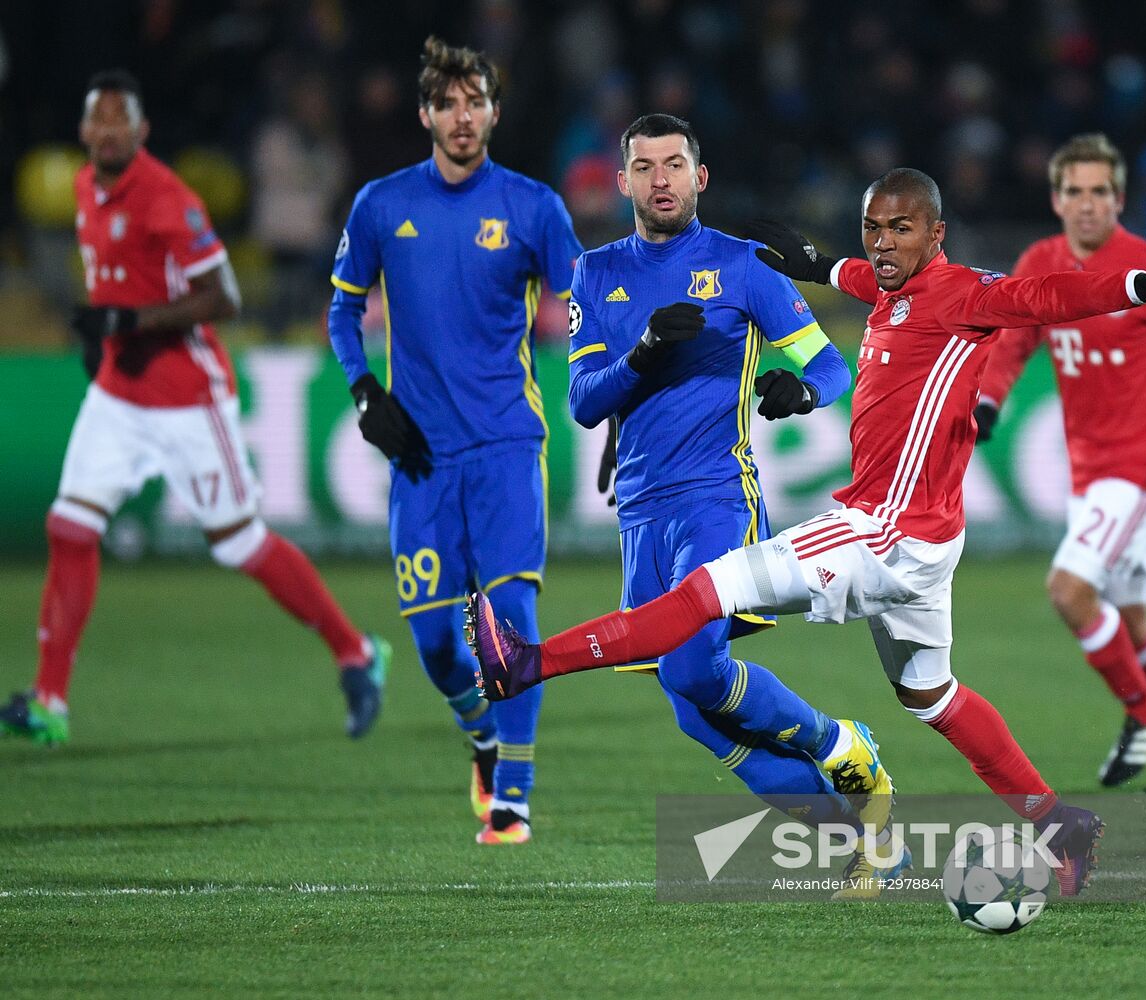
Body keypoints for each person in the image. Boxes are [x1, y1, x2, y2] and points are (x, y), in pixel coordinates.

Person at [469, 167, 1146, 895]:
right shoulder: (885, 286)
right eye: (872, 226)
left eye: (901, 229)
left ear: (936, 235)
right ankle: (1060, 827)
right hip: (928, 543)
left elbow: (1056, 296)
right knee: (932, 696)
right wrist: (816, 261)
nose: (882, 242)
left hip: (881, 532)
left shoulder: (967, 293)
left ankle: (531, 662)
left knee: (706, 592)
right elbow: (857, 275)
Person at [543, 112, 899, 896]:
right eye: (645, 166)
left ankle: (842, 742)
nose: (661, 178)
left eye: (675, 164)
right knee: (691, 710)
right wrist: (644, 354)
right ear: (625, 181)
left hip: (716, 497)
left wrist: (800, 389)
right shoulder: (596, 273)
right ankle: (860, 840)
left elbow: (832, 367)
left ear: (700, 179)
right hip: (641, 513)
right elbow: (583, 402)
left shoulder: (743, 266)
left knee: (699, 669)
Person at [0, 70, 389, 748]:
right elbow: (115, 287)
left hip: (187, 396)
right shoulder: (86, 189)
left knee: (239, 542)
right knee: (69, 527)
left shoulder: (165, 197)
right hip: (120, 394)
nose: (111, 132)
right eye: (101, 120)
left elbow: (223, 296)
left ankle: (356, 651)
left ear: (142, 132)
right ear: (86, 130)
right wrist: (107, 337)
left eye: (124, 122)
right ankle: (50, 700)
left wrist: (132, 322)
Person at [327, 37, 581, 846]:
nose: (463, 117)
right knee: (439, 643)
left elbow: (587, 309)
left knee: (509, 617)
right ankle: (479, 732)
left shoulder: (535, 207)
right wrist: (364, 390)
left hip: (508, 443)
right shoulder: (379, 205)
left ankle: (515, 796)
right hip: (422, 457)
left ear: (495, 112)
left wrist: (620, 391)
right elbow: (341, 311)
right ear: (425, 114)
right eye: (448, 104)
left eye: (476, 102)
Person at [974, 134, 1146, 792]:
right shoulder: (1040, 261)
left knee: (1069, 591)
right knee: (1133, 618)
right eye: (1075, 192)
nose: (1087, 204)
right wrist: (988, 404)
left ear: (1118, 199)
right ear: (1056, 200)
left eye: (1099, 192)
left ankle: (1144, 715)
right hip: (1090, 469)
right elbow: (1013, 342)